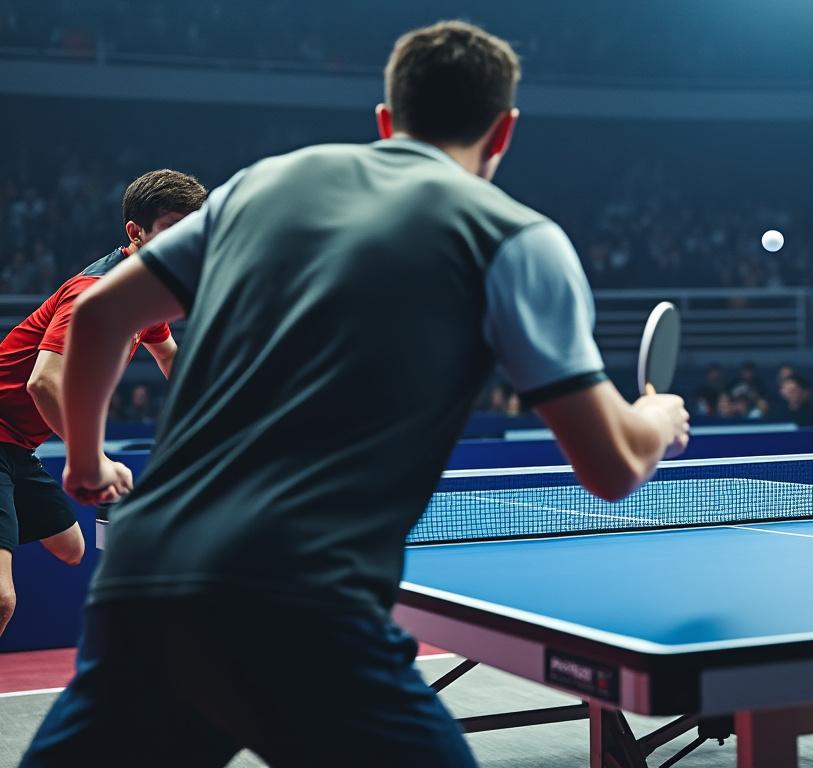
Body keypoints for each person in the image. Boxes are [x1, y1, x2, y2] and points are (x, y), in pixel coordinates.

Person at [23, 21, 689, 768]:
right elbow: (608, 468)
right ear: (503, 131)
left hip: (144, 580)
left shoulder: (261, 184)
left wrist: (82, 459)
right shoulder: (516, 238)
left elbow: (104, 313)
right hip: (299, 598)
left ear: (385, 120)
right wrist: (657, 418)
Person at [0, 169, 200, 639]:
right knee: (2, 598)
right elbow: (43, 384)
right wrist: (95, 457)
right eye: (175, 230)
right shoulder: (93, 292)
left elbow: (177, 362)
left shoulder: (144, 295)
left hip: (18, 448)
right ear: (136, 232)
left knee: (71, 547)